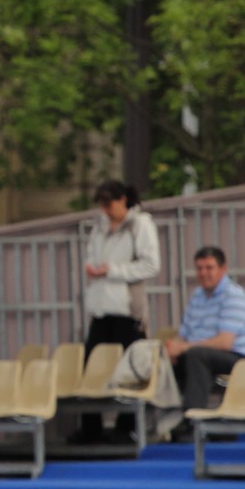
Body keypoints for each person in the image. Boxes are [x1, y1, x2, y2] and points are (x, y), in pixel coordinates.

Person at [73, 180, 161, 444]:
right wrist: (93, 268)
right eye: (101, 204)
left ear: (123, 200)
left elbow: (151, 265)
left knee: (130, 368)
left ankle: (128, 426)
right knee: (92, 364)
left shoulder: (140, 224)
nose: (105, 209)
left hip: (127, 309)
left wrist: (113, 271)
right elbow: (91, 254)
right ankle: (91, 427)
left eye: (109, 203)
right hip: (101, 308)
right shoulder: (99, 226)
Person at [164, 246, 245, 439]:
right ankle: (153, 422)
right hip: (201, 354)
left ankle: (192, 421)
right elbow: (184, 334)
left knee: (196, 355)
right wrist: (173, 349)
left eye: (209, 268)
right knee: (159, 358)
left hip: (238, 359)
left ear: (223, 269)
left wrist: (184, 347)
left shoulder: (234, 296)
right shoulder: (197, 296)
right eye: (199, 268)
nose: (203, 273)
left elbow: (225, 342)